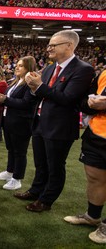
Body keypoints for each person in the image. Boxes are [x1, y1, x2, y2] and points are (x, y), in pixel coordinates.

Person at [15, 30, 95, 212]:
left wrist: (39, 86)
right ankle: (36, 191)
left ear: (69, 45)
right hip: (40, 122)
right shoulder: (50, 68)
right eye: (49, 44)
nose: (48, 48)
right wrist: (34, 88)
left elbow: (67, 98)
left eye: (53, 45)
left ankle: (46, 200)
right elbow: (40, 94)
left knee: (55, 165)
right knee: (40, 162)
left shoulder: (83, 69)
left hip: (60, 126)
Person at [63, 69, 106, 244]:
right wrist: (91, 104)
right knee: (94, 177)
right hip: (97, 134)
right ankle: (92, 216)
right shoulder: (104, 73)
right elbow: (84, 101)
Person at [0, 56, 36, 190]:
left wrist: (6, 99)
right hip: (9, 120)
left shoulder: (30, 83)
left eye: (21, 65)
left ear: (29, 67)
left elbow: (27, 103)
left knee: (20, 151)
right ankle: (10, 171)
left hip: (21, 122)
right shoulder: (15, 82)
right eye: (17, 65)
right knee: (11, 149)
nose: (17, 67)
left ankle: (17, 179)